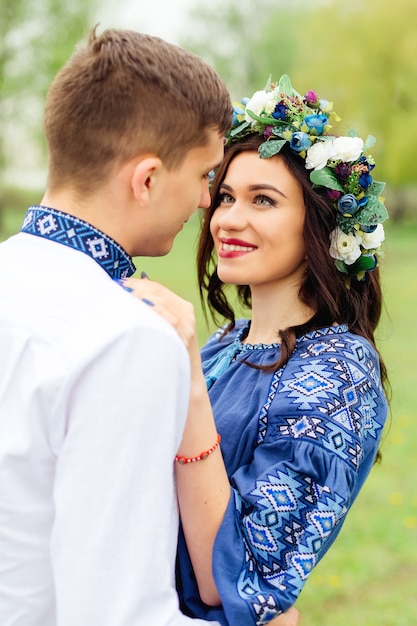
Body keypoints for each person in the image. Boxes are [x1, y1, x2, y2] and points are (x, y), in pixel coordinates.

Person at [123, 74, 390, 625]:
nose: (227, 219)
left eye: (262, 200)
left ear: (319, 225)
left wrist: (190, 387)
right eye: (224, 197)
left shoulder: (342, 372)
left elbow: (240, 579)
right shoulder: (226, 343)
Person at [0, 26, 234, 626]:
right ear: (148, 178)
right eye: (206, 175)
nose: (208, 202)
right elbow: (117, 614)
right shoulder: (127, 338)